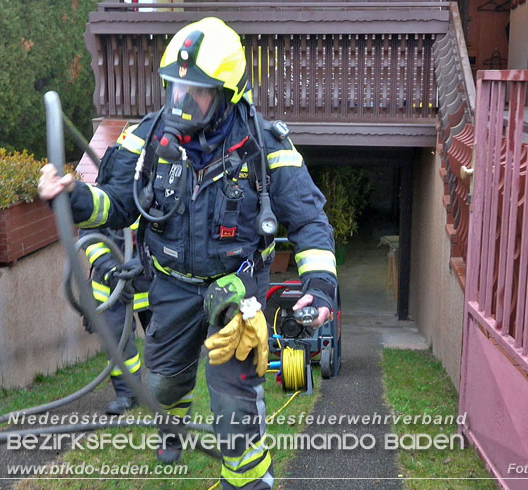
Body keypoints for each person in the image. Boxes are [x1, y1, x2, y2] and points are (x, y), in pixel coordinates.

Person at [38, 17, 337, 489]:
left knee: (235, 405)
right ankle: (172, 427)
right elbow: (115, 203)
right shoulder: (145, 139)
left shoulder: (266, 148)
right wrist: (72, 196)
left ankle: (250, 481)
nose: (179, 101)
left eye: (193, 92)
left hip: (235, 293)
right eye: (173, 87)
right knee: (163, 385)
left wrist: (320, 289)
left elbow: (309, 221)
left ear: (227, 95)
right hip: (171, 287)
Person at [80, 219, 152, 415]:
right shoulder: (106, 194)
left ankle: (165, 388)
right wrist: (111, 272)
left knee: (164, 339)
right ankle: (127, 394)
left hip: (151, 281)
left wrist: (145, 262)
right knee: (116, 341)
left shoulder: (157, 189)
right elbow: (90, 238)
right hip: (112, 284)